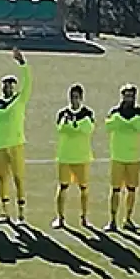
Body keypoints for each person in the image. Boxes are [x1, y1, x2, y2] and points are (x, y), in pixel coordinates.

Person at [0, 49, 32, 225]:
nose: (8, 87)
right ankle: (5, 212)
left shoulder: (19, 100)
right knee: (2, 179)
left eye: (11, 85)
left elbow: (28, 83)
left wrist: (23, 64)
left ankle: (21, 214)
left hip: (16, 144)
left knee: (18, 178)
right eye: (5, 84)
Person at [104, 84, 140, 232]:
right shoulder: (114, 112)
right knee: (116, 190)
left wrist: (122, 125)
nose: (129, 98)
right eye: (126, 95)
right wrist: (130, 126)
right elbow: (108, 126)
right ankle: (112, 220)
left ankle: (128, 219)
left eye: (131, 95)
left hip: (133, 157)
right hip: (117, 156)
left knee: (131, 190)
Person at [52, 84, 97, 230]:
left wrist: (72, 127)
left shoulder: (88, 113)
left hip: (82, 157)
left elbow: (87, 129)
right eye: (72, 97)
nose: (74, 100)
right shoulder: (62, 113)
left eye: (77, 97)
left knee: (84, 188)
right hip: (65, 156)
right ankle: (60, 217)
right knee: (63, 187)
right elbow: (61, 129)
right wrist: (73, 127)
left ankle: (84, 217)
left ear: (81, 98)